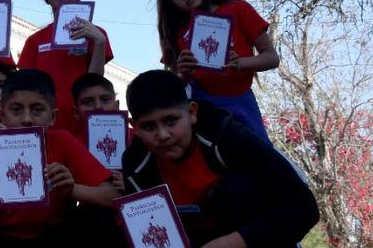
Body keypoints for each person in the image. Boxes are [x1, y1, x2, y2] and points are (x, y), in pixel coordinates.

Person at [122, 70, 319, 248]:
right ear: (135, 127)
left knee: (240, 187)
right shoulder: (135, 167)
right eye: (149, 126)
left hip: (248, 236)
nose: (163, 134)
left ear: (192, 112)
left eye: (171, 121)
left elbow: (305, 207)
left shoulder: (228, 136)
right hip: (196, 239)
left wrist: (235, 242)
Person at [0, 69, 121, 247]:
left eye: (37, 110)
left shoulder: (61, 141)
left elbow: (113, 197)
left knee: (99, 217)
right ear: (2, 115)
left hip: (53, 235)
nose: (26, 119)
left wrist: (71, 189)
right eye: (16, 110)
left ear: (53, 117)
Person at [157, 0, 280, 140]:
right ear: (171, 4)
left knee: (260, 157)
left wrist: (240, 63)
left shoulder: (238, 9)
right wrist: (183, 75)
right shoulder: (175, 33)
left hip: (242, 100)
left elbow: (272, 58)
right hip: (201, 108)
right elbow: (172, 88)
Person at [18, 0, 112, 134]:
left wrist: (99, 42)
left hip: (84, 126)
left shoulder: (97, 34)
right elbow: (25, 86)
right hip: (46, 125)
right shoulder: (34, 40)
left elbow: (94, 82)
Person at [70, 73, 127, 192]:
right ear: (76, 113)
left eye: (105, 100)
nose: (98, 107)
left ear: (117, 105)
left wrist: (132, 183)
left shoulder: (138, 138)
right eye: (88, 102)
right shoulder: (71, 146)